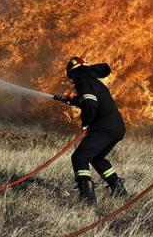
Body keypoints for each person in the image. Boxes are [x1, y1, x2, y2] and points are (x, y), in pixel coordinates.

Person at [54, 56, 128, 203]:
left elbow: (89, 104)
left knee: (79, 157)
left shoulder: (84, 81)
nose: (72, 81)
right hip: (116, 128)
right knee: (96, 158)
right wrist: (70, 99)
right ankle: (119, 190)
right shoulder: (92, 81)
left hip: (104, 128)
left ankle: (87, 199)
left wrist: (86, 122)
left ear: (75, 73)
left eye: (72, 76)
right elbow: (88, 99)